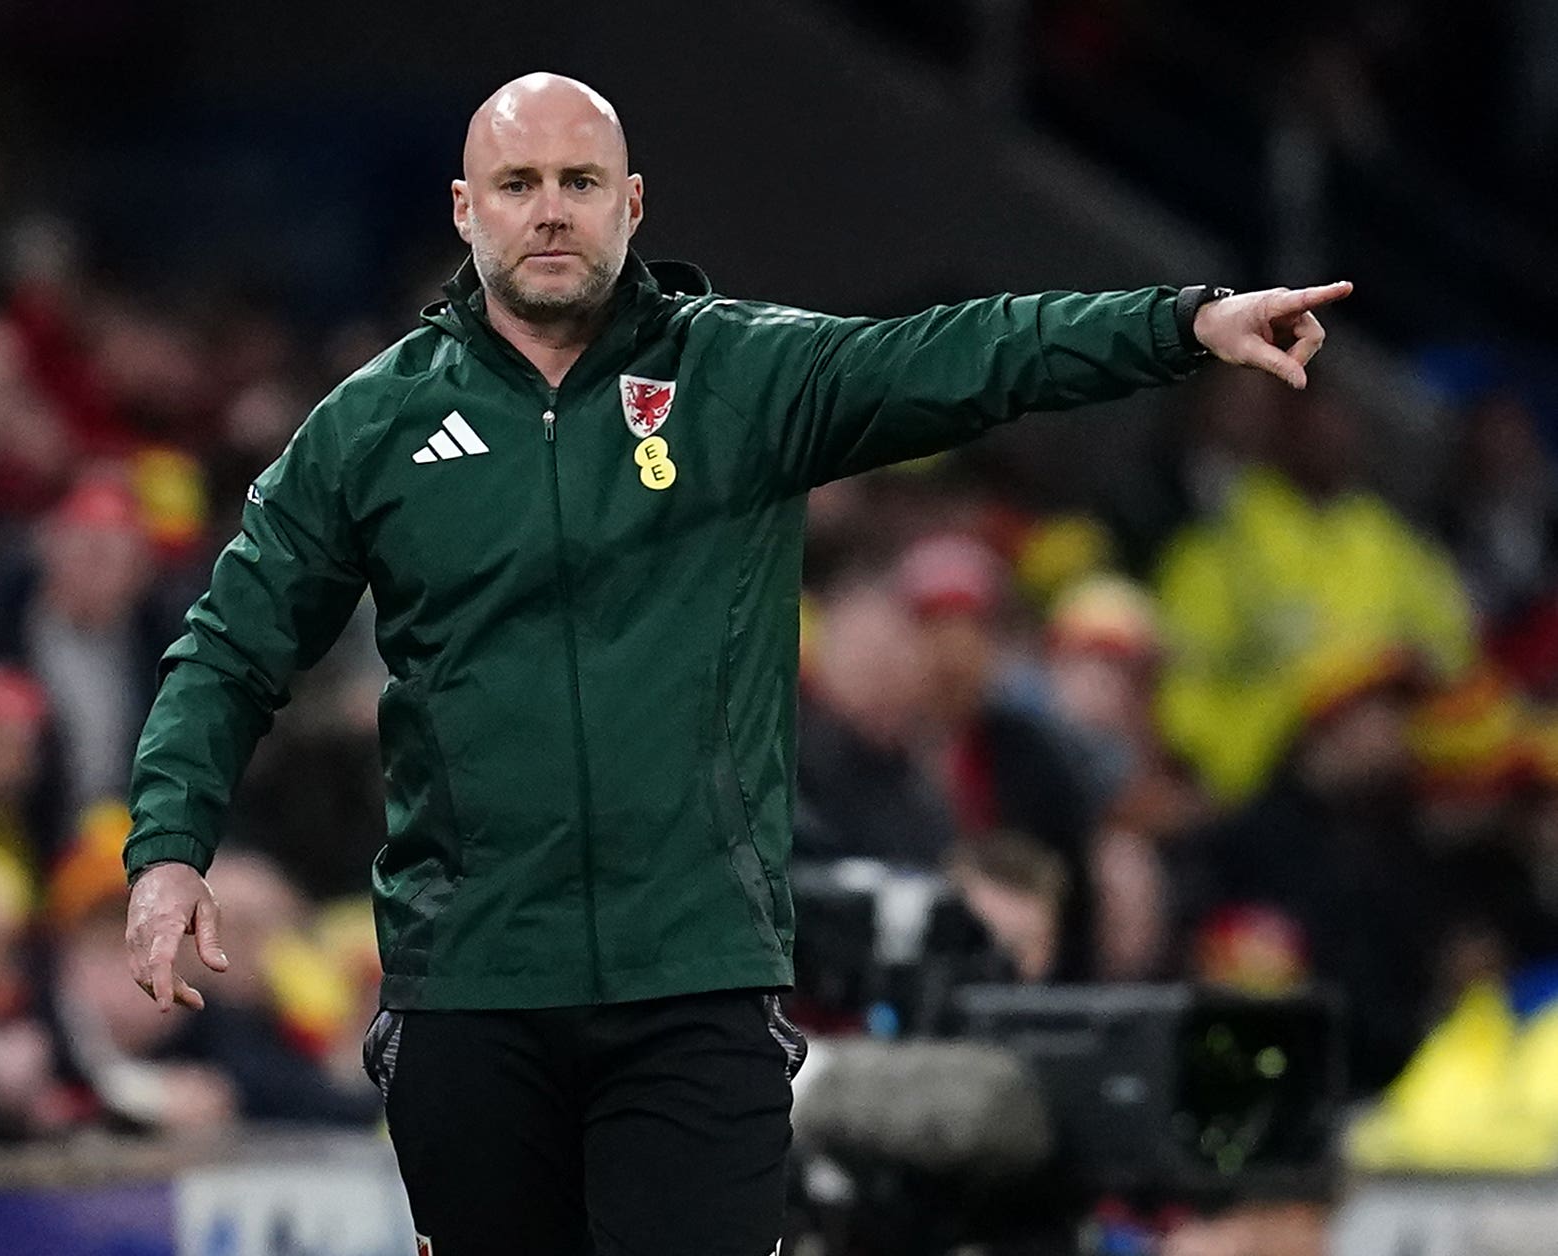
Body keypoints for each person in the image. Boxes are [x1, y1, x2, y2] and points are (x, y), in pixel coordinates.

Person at [122, 71, 1351, 1255]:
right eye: (518, 182)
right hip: (473, 984)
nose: (550, 207)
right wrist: (170, 845)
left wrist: (1182, 324)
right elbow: (231, 646)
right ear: (465, 209)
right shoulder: (370, 426)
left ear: (633, 203)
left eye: (580, 179)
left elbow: (968, 355)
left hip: (697, 979)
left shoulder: (740, 376)